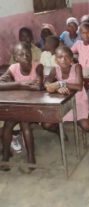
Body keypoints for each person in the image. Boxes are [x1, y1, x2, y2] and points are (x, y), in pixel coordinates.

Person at [44, 46, 89, 146]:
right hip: (63, 102)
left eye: (67, 57)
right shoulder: (55, 70)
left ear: (71, 59)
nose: (63, 60)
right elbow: (47, 82)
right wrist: (55, 87)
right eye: (60, 57)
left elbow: (79, 86)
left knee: (85, 125)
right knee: (46, 124)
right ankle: (59, 131)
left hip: (78, 101)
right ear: (56, 60)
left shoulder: (77, 67)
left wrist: (60, 84)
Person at [0, 42, 44, 171]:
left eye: (27, 53)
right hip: (18, 106)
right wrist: (21, 84)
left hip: (33, 106)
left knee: (24, 122)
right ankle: (6, 156)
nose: (25, 56)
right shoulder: (13, 68)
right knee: (8, 124)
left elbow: (39, 86)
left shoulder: (37, 66)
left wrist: (16, 84)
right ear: (15, 57)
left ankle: (31, 157)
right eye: (21, 54)